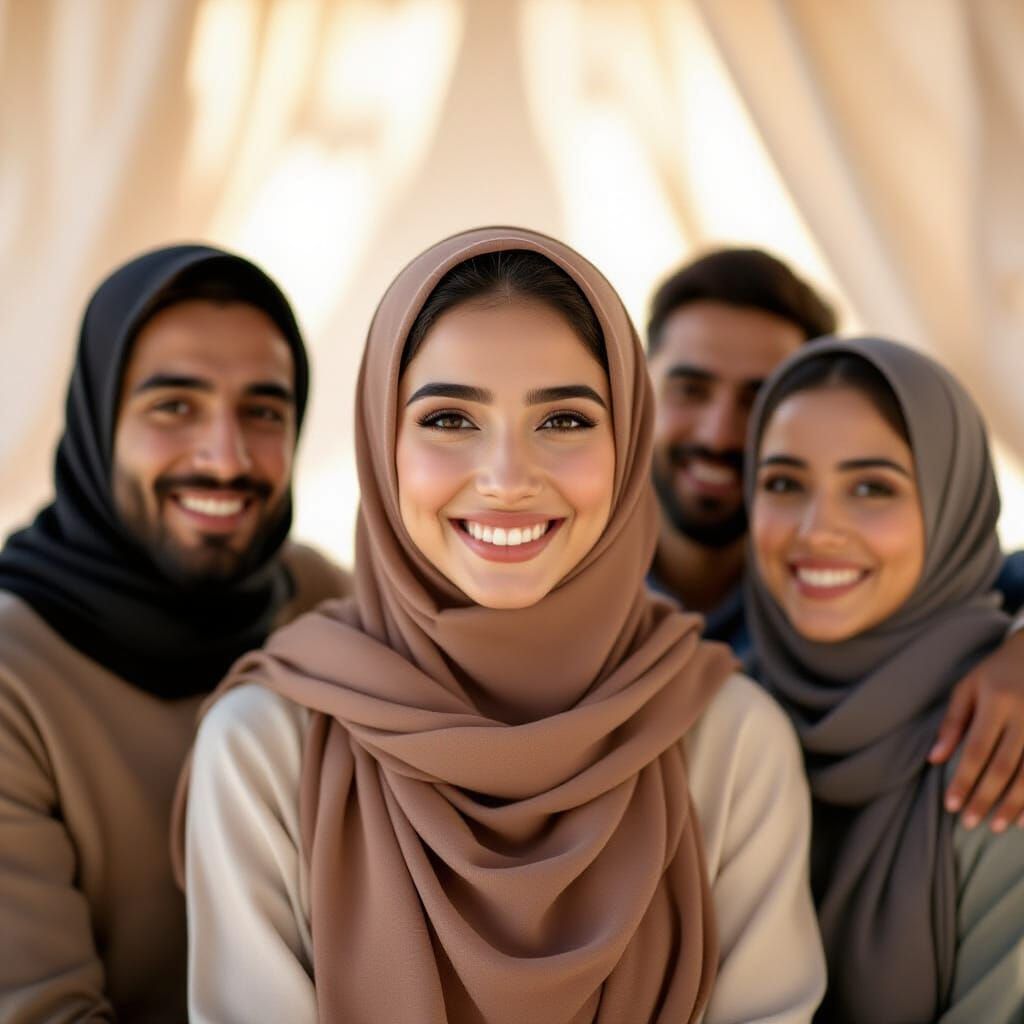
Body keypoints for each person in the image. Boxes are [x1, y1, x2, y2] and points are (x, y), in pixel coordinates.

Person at [178, 228, 825, 1023]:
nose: (509, 480)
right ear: (381, 446)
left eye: (565, 422)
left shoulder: (728, 741)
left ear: (628, 444)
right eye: (450, 419)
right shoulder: (266, 746)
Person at [0, 245, 350, 1021]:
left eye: (263, 411)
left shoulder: (320, 600)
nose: (225, 459)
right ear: (98, 423)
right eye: (175, 406)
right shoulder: (12, 676)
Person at [646, 247, 1024, 831]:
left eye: (756, 398)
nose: (720, 432)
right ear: (639, 389)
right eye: (690, 389)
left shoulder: (863, 583)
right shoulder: (555, 585)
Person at [745, 336, 1024, 1023]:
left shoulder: (1003, 747)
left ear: (952, 501)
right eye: (784, 483)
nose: (819, 530)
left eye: (872, 488)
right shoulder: (718, 716)